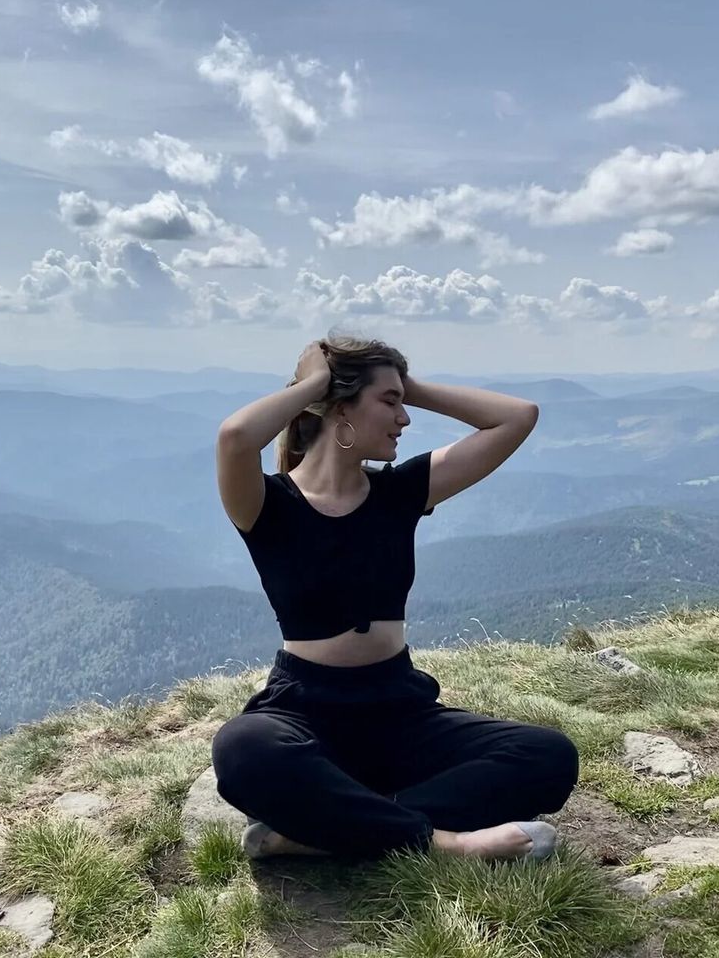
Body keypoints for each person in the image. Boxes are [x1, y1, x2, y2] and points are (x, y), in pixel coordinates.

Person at [211, 334, 578, 861]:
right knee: (244, 749)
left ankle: (329, 832)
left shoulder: (399, 492)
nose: (405, 418)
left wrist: (405, 384)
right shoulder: (268, 504)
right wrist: (317, 383)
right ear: (341, 407)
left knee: (547, 755)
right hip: (306, 708)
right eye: (390, 402)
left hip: (399, 709)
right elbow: (235, 437)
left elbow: (517, 418)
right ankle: (447, 843)